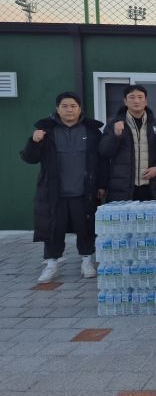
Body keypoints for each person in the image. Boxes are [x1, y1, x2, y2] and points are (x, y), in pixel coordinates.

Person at [20, 92, 106, 283]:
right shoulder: (46, 131)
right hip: (54, 192)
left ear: (80, 109)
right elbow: (29, 158)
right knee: (53, 229)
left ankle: (86, 262)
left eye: (73, 106)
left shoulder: (92, 131)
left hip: (83, 191)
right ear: (57, 109)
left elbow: (101, 161)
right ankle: (51, 264)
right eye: (65, 106)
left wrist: (101, 184)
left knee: (86, 228)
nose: (69, 110)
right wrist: (34, 141)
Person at [99, 85, 156, 202]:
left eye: (140, 97)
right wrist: (116, 136)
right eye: (132, 97)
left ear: (146, 101)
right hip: (123, 187)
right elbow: (104, 152)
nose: (136, 101)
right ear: (125, 101)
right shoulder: (114, 124)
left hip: (152, 187)